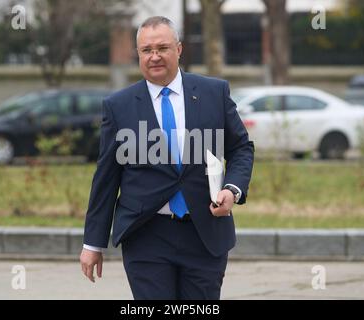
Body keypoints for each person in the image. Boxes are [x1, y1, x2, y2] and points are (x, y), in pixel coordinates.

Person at [80, 16, 254, 300]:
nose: (155, 56)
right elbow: (106, 177)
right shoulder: (118, 107)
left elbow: (240, 148)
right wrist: (93, 243)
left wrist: (232, 189)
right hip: (146, 235)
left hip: (204, 233)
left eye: (162, 47)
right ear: (138, 54)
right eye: (146, 50)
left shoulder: (214, 92)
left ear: (179, 49)